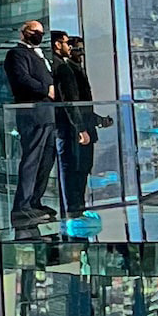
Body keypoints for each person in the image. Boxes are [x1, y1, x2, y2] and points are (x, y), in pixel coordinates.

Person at [6, 19, 59, 220]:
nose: (39, 34)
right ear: (24, 32)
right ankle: (22, 204)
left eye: (41, 32)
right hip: (32, 114)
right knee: (31, 159)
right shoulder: (17, 54)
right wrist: (46, 89)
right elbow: (21, 79)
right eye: (35, 31)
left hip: (48, 115)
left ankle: (35, 200)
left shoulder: (40, 55)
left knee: (46, 159)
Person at [52, 34, 101, 217]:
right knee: (74, 170)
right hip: (75, 130)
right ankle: (74, 209)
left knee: (81, 169)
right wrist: (81, 128)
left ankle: (76, 208)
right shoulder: (65, 69)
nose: (80, 53)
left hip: (83, 126)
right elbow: (71, 101)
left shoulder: (73, 68)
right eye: (77, 48)